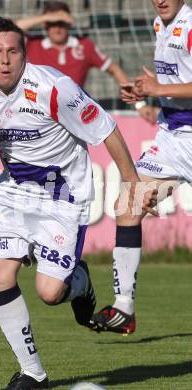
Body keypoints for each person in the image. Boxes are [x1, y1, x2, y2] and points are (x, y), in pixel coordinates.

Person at [0, 17, 153, 390]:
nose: (5, 61)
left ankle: (79, 282)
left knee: (50, 293)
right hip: (14, 192)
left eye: (13, 51)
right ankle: (32, 373)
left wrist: (132, 183)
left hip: (64, 195)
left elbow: (106, 128)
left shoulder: (54, 87)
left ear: (24, 54)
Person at [90, 0, 192, 335]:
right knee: (128, 204)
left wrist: (158, 89)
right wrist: (145, 91)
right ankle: (124, 308)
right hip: (174, 138)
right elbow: (176, 82)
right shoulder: (159, 25)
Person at [15, 0, 158, 125]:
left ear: (69, 23)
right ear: (45, 24)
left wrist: (139, 105)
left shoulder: (84, 46)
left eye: (61, 22)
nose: (57, 28)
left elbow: (114, 69)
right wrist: (46, 16)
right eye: (52, 23)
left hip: (73, 116)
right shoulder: (33, 44)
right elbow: (10, 29)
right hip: (36, 114)